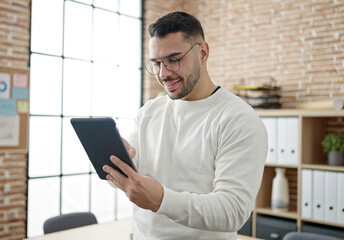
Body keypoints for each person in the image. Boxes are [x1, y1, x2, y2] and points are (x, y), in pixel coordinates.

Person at [102, 11, 267, 239]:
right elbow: (133, 181)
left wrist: (162, 200)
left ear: (203, 52)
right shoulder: (150, 111)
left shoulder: (238, 119)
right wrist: (119, 163)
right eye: (157, 63)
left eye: (173, 60)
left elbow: (233, 211)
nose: (164, 74)